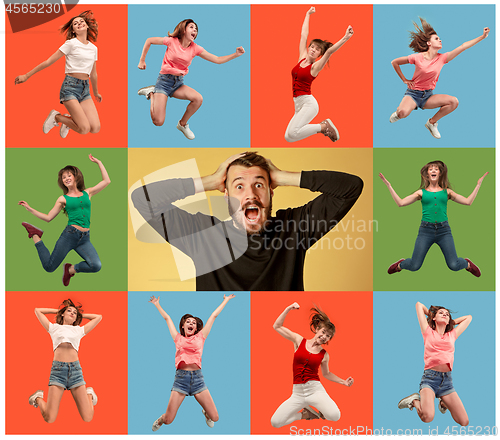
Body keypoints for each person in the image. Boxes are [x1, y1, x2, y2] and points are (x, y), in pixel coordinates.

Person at [131, 151, 363, 290]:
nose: (250, 194)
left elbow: (351, 188)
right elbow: (141, 198)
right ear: (226, 195)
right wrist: (211, 181)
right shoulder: (203, 235)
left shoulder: (294, 228)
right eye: (239, 186)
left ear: (271, 191)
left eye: (259, 185)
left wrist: (282, 177)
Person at [137, 19, 245, 140]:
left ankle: (182, 124)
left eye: (196, 29)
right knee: (158, 121)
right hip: (163, 82)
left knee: (198, 99)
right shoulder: (171, 41)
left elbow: (217, 59)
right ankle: (151, 93)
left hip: (178, 84)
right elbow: (149, 40)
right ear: (183, 30)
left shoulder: (195, 48)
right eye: (192, 27)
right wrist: (142, 60)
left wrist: (235, 54)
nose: (195, 30)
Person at [379, 160, 487, 276]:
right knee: (414, 265)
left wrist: (478, 185)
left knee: (454, 265)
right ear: (427, 174)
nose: (433, 170)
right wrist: (389, 185)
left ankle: (467, 264)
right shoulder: (421, 192)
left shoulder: (447, 192)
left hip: (444, 231)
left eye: (436, 169)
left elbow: (468, 202)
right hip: (426, 231)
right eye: (430, 169)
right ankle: (400, 265)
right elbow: (400, 203)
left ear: (440, 173)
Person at [389, 18, 490, 139]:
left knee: (454, 102)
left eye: (439, 38)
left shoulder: (442, 58)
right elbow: (395, 62)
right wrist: (404, 80)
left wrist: (482, 37)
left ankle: (431, 123)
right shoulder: (417, 57)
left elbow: (463, 46)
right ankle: (399, 112)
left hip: (428, 96)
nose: (440, 40)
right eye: (436, 38)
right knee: (402, 113)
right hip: (413, 94)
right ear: (429, 43)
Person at [19, 154, 111, 286]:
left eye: (69, 175)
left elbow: (106, 181)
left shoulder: (88, 193)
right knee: (49, 267)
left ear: (75, 177)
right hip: (69, 236)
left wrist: (99, 162)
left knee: (96, 265)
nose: (66, 178)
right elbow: (48, 217)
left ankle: (70, 269)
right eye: (63, 177)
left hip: (85, 238)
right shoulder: (63, 199)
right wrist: (30, 209)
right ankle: (35, 234)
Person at [149, 294, 235, 431]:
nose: (191, 324)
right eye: (188, 322)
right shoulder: (177, 338)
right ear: (183, 326)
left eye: (194, 323)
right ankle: (161, 419)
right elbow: (167, 318)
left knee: (215, 417)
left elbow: (213, 316)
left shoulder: (201, 337)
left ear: (196, 329)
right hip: (181, 380)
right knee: (169, 420)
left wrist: (226, 300)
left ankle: (206, 413)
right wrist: (157, 304)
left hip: (198, 380)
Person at [14, 10, 102, 138]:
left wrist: (95, 92)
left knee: (95, 128)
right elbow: (48, 61)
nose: (79, 24)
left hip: (85, 89)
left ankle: (69, 121)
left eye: (81, 21)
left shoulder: (93, 48)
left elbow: (93, 74)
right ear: (73, 31)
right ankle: (57, 117)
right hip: (70, 88)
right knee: (84, 128)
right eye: (75, 24)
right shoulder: (71, 44)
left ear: (87, 25)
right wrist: (26, 75)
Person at [270, 303, 353, 428]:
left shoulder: (324, 355)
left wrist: (344, 382)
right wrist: (288, 308)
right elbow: (277, 326)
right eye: (323, 332)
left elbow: (326, 374)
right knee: (275, 423)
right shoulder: (299, 340)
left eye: (328, 336)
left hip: (315, 390)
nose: (324, 337)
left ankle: (313, 412)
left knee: (335, 416)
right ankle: (305, 415)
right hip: (297, 393)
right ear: (318, 328)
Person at [285, 7, 353, 143]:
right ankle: (322, 127)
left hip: (308, 103)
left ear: (319, 54)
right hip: (297, 104)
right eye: (312, 47)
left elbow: (329, 52)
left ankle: (323, 127)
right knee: (289, 137)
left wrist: (346, 37)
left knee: (293, 132)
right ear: (309, 47)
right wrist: (307, 14)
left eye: (317, 49)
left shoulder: (315, 67)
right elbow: (304, 35)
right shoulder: (301, 58)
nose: (313, 50)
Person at [398, 302, 471, 426]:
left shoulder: (452, 335)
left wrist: (451, 321)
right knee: (427, 417)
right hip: (430, 380)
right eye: (441, 313)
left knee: (464, 422)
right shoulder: (427, 331)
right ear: (434, 318)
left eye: (447, 314)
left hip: (447, 382)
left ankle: (443, 402)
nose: (444, 314)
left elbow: (468, 318)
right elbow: (418, 305)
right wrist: (431, 314)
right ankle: (415, 400)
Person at [29, 299, 102, 423]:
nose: (72, 313)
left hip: (75, 371)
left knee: (88, 418)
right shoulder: (53, 328)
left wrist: (80, 315)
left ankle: (89, 393)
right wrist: (59, 311)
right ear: (63, 313)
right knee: (49, 418)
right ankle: (37, 398)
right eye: (69, 310)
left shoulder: (79, 330)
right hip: (58, 371)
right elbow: (37, 311)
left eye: (75, 312)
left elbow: (98, 317)